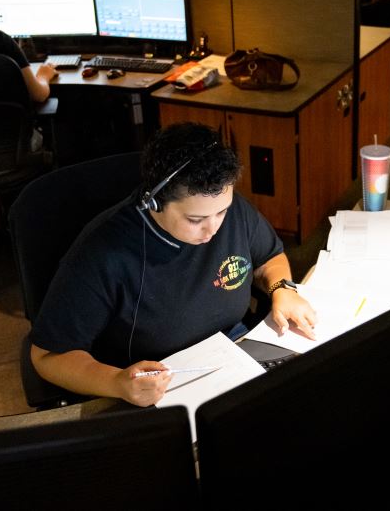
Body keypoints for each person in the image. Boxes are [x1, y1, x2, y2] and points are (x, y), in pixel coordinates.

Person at [29, 122, 318, 407]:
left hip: (239, 354)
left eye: (222, 212)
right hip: (160, 387)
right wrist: (116, 382)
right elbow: (46, 357)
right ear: (154, 203)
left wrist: (283, 289)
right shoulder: (103, 253)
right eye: (195, 220)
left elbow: (268, 257)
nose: (212, 230)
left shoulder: (227, 209)